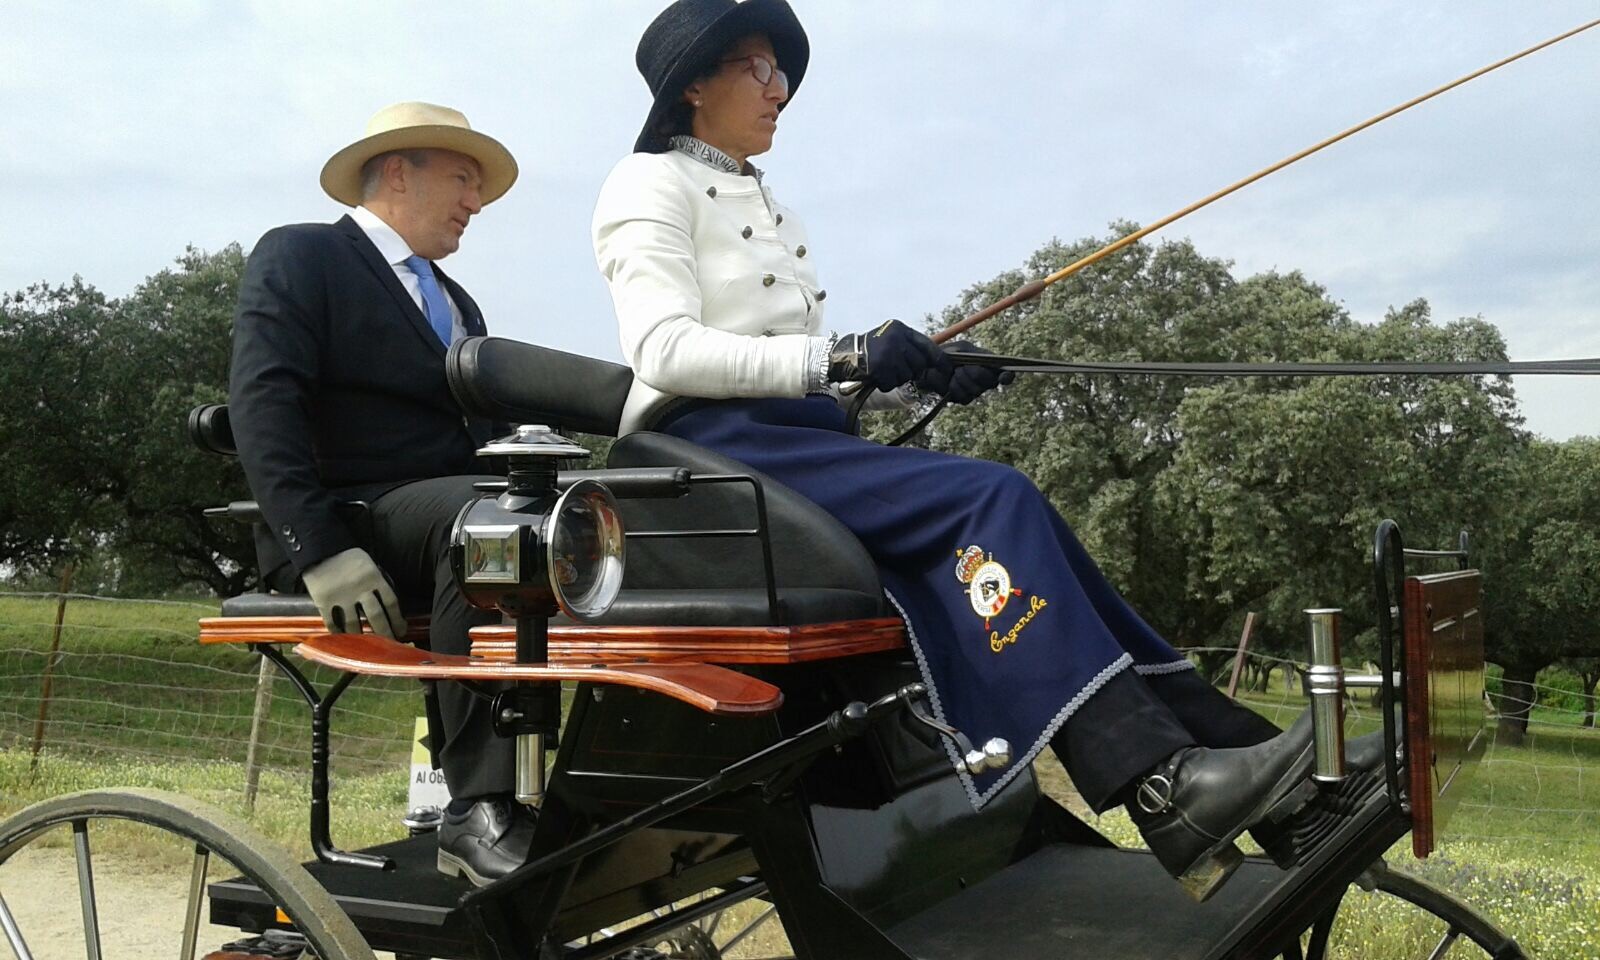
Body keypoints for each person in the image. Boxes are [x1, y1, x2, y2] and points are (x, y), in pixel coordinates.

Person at [592, 0, 1321, 900]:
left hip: (795, 440)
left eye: (782, 71)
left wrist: (917, 375)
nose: (779, 88)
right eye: (756, 67)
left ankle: (1238, 755)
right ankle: (1163, 787)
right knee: (995, 498)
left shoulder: (771, 203)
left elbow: (811, 373)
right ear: (692, 86)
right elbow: (662, 351)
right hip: (710, 452)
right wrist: (847, 353)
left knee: (1030, 521)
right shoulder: (646, 183)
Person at [229, 101, 532, 885]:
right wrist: (320, 548)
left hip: (454, 510)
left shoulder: (460, 304)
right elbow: (263, 404)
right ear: (399, 169)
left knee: (571, 516)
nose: (476, 201)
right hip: (353, 520)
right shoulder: (301, 256)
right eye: (465, 179)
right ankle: (477, 808)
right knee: (493, 523)